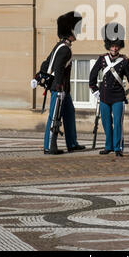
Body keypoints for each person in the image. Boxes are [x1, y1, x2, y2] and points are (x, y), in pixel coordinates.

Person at [89, 22, 129, 157]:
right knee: (106, 122)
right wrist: (94, 90)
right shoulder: (102, 59)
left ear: (119, 46)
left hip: (118, 96)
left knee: (117, 123)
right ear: (108, 46)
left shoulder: (124, 61)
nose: (114, 48)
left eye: (116, 46)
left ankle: (118, 148)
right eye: (112, 46)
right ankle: (109, 146)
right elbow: (92, 75)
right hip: (104, 95)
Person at [42, 11, 86, 155]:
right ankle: (49, 146)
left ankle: (72, 143)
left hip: (64, 88)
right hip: (59, 88)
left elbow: (46, 62)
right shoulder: (65, 49)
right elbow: (58, 68)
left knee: (69, 113)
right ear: (70, 31)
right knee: (54, 117)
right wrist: (60, 87)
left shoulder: (60, 45)